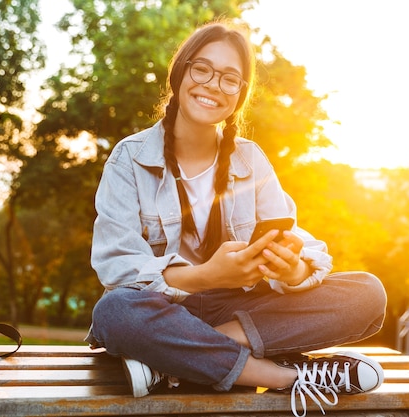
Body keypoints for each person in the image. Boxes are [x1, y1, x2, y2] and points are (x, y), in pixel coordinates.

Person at [85, 19, 387, 417]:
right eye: (202, 69)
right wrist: (207, 276)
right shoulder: (129, 158)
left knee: (367, 294)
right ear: (180, 74)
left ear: (240, 94)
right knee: (115, 313)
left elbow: (296, 237)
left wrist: (294, 271)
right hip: (164, 311)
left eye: (230, 79)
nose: (213, 85)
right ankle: (288, 376)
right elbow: (119, 269)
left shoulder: (250, 158)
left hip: (238, 314)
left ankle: (171, 362)